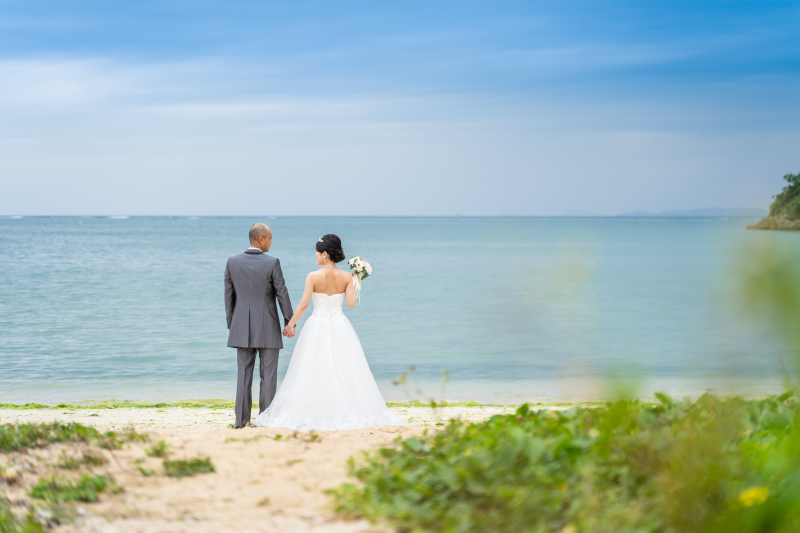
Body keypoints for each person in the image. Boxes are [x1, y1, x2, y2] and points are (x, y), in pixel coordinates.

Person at [251, 234, 406, 431]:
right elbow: (350, 304)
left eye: (317, 253)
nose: (315, 256)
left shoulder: (313, 276)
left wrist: (290, 325)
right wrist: (357, 279)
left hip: (317, 324)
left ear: (325, 254)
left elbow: (303, 304)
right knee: (344, 368)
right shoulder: (347, 277)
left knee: (312, 369)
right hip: (340, 325)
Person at [224, 223, 294, 429]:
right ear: (261, 239)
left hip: (241, 326)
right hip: (268, 326)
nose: (272, 241)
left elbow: (229, 296)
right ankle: (265, 420)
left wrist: (231, 323)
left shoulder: (232, 262)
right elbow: (282, 293)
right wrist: (289, 322)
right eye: (271, 238)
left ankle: (241, 420)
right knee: (268, 375)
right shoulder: (272, 263)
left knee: (243, 374)